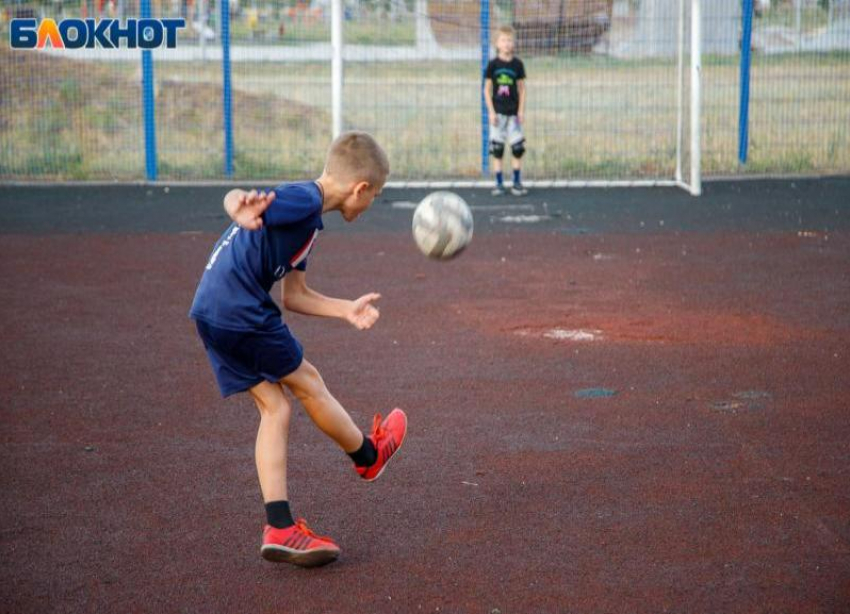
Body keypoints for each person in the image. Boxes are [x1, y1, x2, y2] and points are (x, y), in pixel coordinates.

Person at [189, 131, 407, 568]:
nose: (369, 207)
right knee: (308, 382)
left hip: (210, 308)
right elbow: (241, 199)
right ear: (360, 189)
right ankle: (368, 456)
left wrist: (346, 309)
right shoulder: (304, 202)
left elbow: (295, 296)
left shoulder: (307, 219)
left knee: (276, 407)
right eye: (375, 197)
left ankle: (280, 526)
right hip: (239, 307)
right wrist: (236, 204)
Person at [484, 24, 528, 196]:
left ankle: (516, 182)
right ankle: (499, 183)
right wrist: (491, 111)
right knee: (497, 148)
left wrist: (521, 111)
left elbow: (522, 89)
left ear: (514, 43)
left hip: (514, 113)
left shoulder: (518, 65)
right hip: (498, 113)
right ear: (497, 43)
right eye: (503, 40)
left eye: (510, 40)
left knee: (517, 148)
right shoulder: (493, 65)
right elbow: (486, 89)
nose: (507, 43)